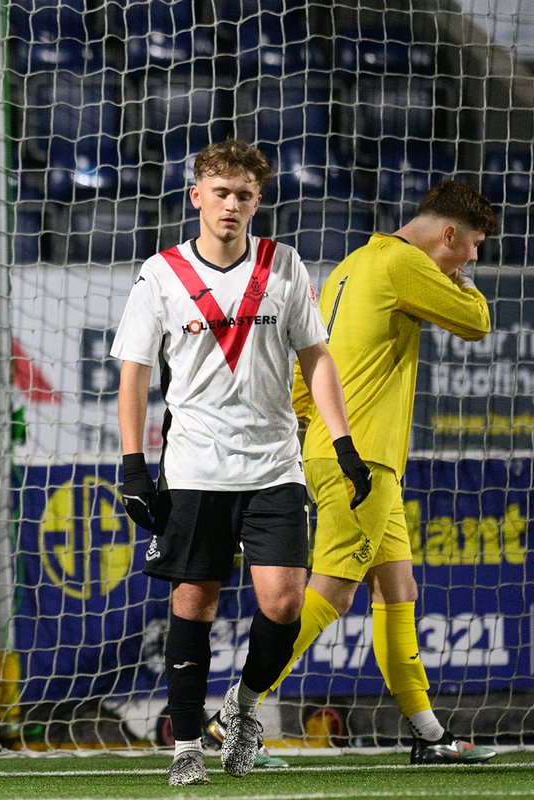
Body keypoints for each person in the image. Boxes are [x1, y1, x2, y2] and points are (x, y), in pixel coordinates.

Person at [110, 138, 372, 786]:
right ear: (196, 195)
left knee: (283, 603)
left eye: (244, 196)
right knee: (194, 603)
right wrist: (133, 464)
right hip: (196, 467)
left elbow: (317, 358)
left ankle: (246, 708)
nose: (231, 205)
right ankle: (187, 747)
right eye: (220, 193)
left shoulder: (284, 266)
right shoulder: (161, 273)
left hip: (274, 466)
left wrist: (343, 445)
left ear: (258, 202)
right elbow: (134, 373)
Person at [207, 181, 498, 764]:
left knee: (399, 589)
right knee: (334, 593)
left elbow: (307, 365)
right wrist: (463, 282)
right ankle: (235, 712)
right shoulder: (402, 263)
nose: (472, 259)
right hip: (360, 457)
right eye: (472, 247)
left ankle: (427, 733)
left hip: (338, 448)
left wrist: (306, 435)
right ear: (447, 235)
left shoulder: (350, 266)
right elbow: (477, 321)